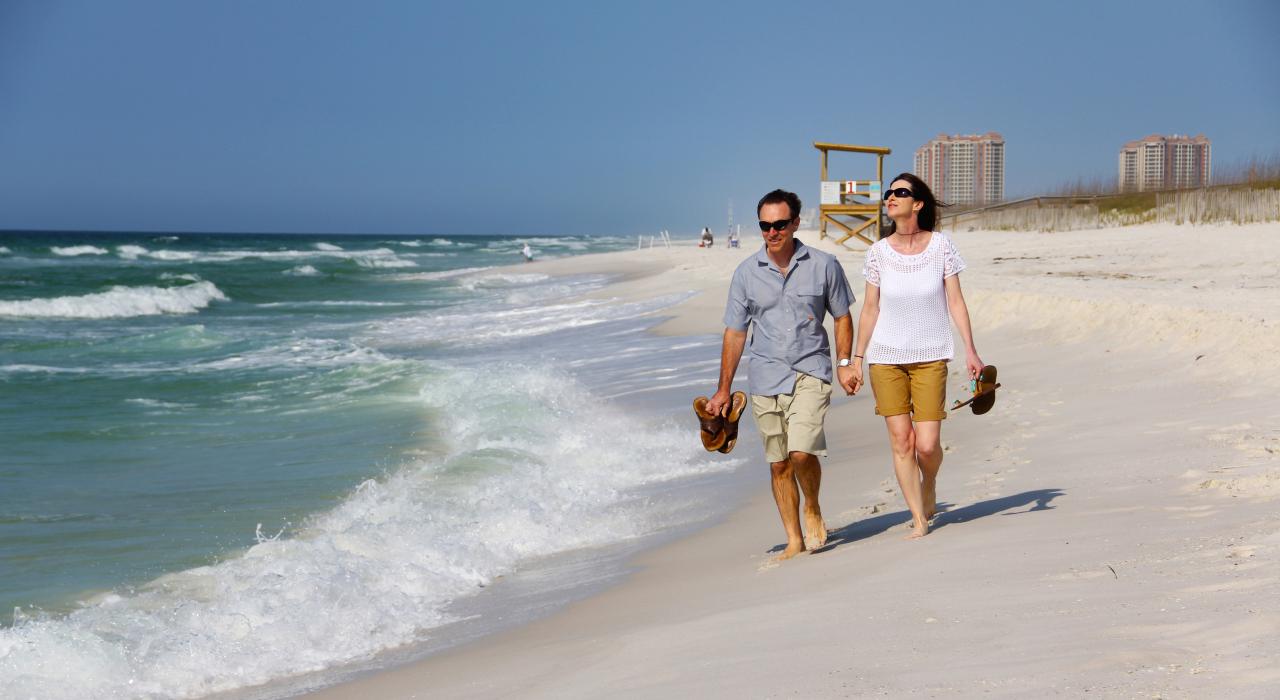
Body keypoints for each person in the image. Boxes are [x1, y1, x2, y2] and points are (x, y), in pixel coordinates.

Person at [706, 189, 857, 560]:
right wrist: (722, 390)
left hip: (810, 369)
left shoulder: (824, 265)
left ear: (794, 223)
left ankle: (813, 508)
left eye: (778, 225)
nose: (771, 232)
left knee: (801, 453)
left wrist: (844, 364)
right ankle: (793, 538)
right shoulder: (745, 274)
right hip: (765, 376)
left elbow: (842, 316)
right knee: (778, 463)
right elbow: (735, 332)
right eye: (764, 226)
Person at [849, 173, 983, 539]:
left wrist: (970, 349)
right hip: (886, 358)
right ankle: (919, 519)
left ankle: (930, 483)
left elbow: (955, 300)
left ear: (918, 203)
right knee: (901, 441)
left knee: (927, 445)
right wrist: (856, 359)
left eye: (900, 193)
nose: (891, 197)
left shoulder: (941, 246)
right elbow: (870, 309)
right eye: (888, 193)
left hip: (930, 356)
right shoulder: (877, 252)